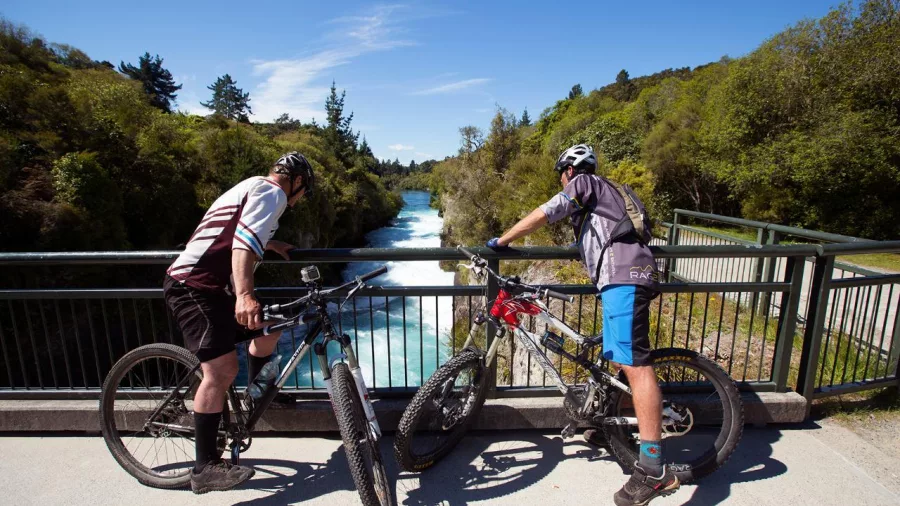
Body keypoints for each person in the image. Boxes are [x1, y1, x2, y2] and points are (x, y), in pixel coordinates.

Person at [485, 144, 678, 505]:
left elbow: (549, 211)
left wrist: (504, 240)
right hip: (626, 278)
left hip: (623, 280)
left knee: (636, 366)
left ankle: (653, 469)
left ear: (570, 170)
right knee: (621, 359)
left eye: (562, 174)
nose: (562, 181)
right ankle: (610, 428)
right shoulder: (613, 191)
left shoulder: (585, 183)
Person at [163, 152, 315, 494]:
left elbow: (235, 231)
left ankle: (261, 393)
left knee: (270, 327)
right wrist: (245, 295)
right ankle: (204, 468)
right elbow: (242, 243)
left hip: (210, 287)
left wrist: (270, 243)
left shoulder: (250, 186)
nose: (301, 200)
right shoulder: (273, 193)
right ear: (298, 181)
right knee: (221, 370)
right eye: (304, 192)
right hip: (194, 286)